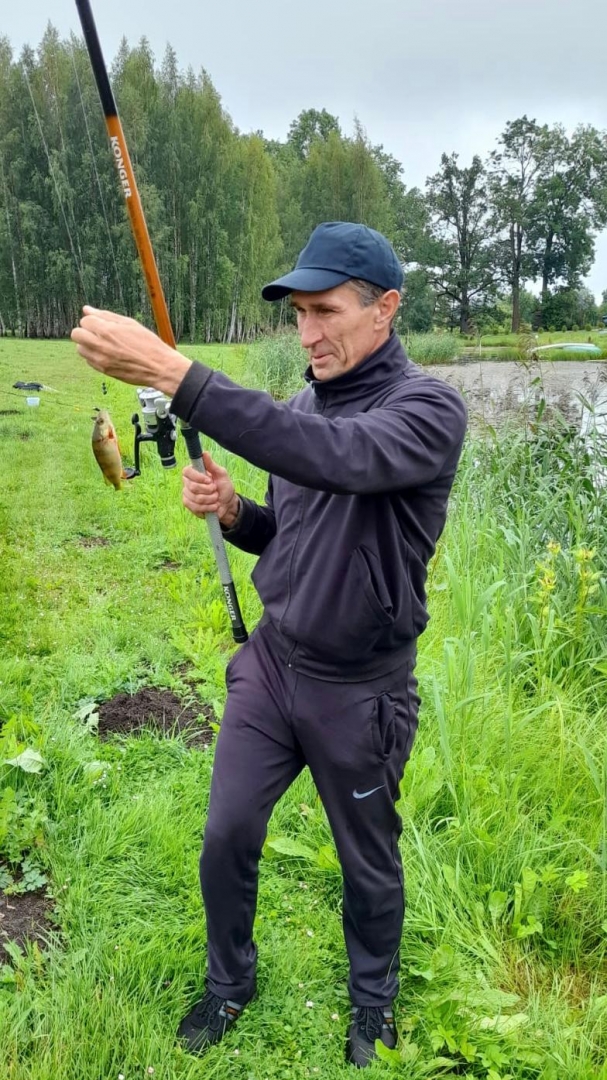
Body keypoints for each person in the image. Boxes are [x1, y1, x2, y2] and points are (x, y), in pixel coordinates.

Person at [72, 221, 467, 1068]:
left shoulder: (426, 411)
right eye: (297, 315)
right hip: (272, 667)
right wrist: (234, 513)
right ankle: (229, 983)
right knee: (225, 836)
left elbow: (339, 459)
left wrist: (175, 375)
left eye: (325, 311)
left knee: (366, 863)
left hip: (359, 691)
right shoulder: (298, 409)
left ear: (385, 309)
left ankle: (372, 1006)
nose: (307, 333)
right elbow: (287, 532)